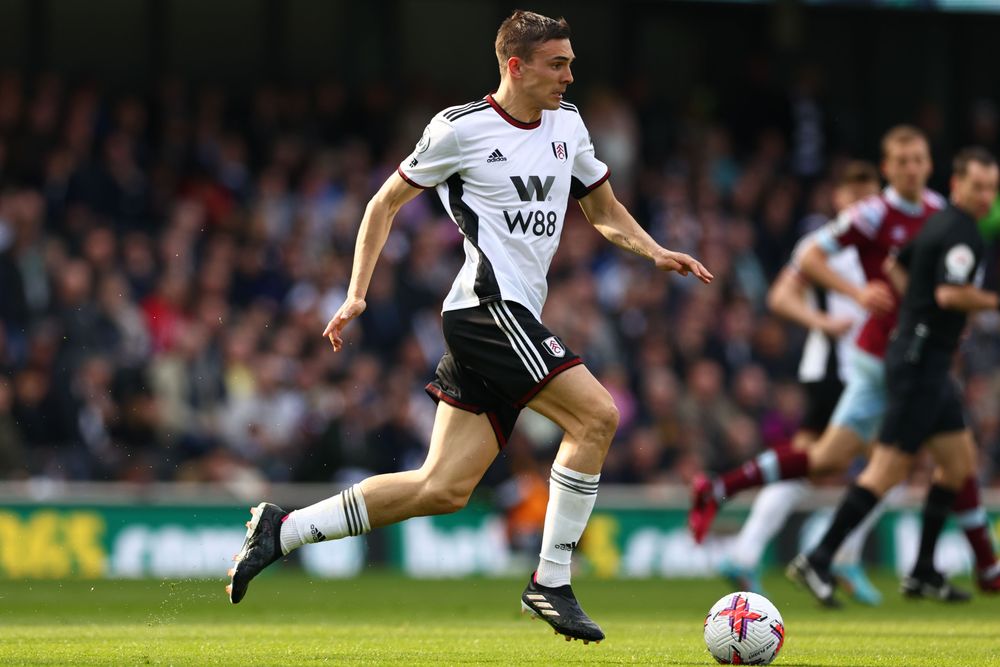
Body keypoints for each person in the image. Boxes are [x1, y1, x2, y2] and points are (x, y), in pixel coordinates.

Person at [225, 10, 712, 644]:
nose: (571, 74)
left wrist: (654, 250)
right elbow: (383, 204)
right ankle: (552, 581)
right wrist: (355, 295)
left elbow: (603, 210)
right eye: (558, 63)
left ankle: (281, 531)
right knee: (598, 416)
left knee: (443, 486)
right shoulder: (460, 129)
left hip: (513, 316)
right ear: (517, 66)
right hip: (484, 311)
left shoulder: (569, 125)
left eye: (570, 62)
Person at [788, 147, 1000, 605]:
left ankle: (923, 569)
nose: (986, 196)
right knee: (889, 468)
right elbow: (948, 293)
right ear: (957, 184)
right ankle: (819, 557)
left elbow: (895, 268)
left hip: (925, 357)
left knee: (959, 463)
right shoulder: (961, 231)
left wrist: (918, 309)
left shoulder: (936, 223)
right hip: (920, 363)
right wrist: (988, 302)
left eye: (992, 187)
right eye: (978, 186)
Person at [719, 162, 884, 603]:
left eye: (873, 198)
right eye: (857, 198)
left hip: (864, 371)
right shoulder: (824, 245)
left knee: (817, 465)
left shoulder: (883, 246)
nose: (866, 207)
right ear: (839, 200)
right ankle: (838, 557)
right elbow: (778, 297)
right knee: (889, 461)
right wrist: (821, 321)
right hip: (836, 371)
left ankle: (747, 552)